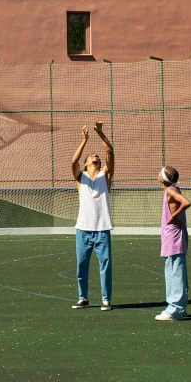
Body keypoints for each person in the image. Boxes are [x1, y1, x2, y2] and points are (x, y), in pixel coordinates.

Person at [70, 121, 114, 311]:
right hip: (83, 230)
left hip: (102, 229)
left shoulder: (106, 175)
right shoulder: (81, 178)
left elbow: (110, 153)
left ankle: (106, 300)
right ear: (86, 164)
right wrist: (84, 141)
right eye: (90, 156)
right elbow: (73, 162)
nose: (94, 155)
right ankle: (83, 298)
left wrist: (100, 133)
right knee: (82, 265)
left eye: (96, 155)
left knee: (105, 265)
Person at [155, 166, 191, 321]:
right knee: (176, 271)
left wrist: (173, 216)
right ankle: (180, 308)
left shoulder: (170, 190)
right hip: (175, 235)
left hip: (174, 236)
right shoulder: (173, 189)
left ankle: (174, 310)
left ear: (163, 178)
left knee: (174, 272)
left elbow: (187, 203)